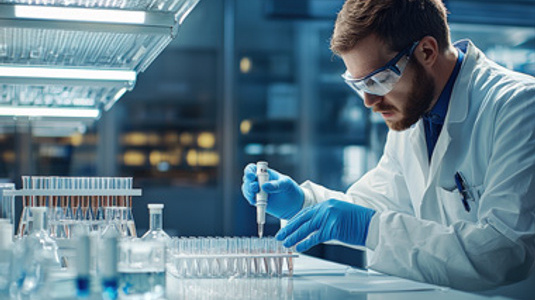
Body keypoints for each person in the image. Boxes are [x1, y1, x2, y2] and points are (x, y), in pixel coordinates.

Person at [241, 0, 535, 293]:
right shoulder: (414, 111)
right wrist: (303, 202)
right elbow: (378, 204)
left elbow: (505, 251)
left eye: (379, 79)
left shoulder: (519, 107)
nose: (369, 101)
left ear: (427, 51)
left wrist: (367, 228)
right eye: (359, 85)